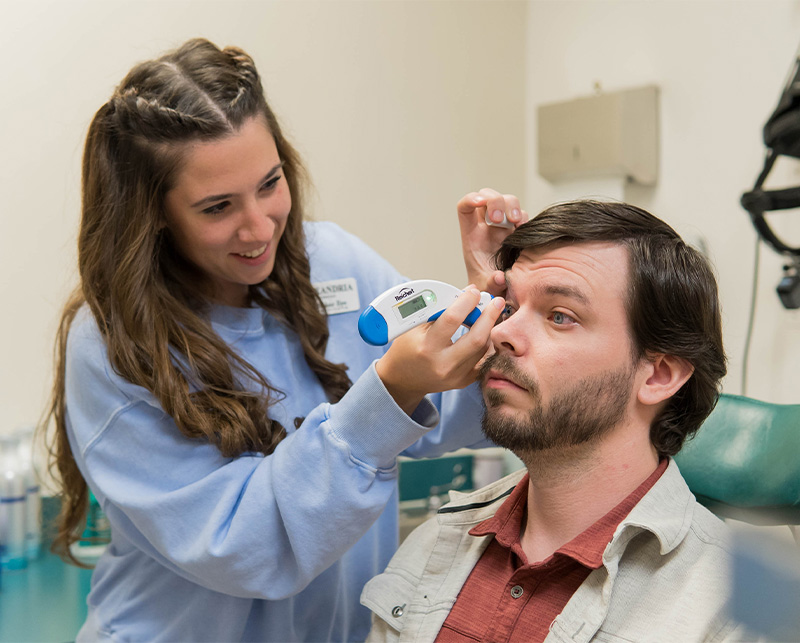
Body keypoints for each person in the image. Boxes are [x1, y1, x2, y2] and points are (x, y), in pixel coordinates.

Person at [43, 37, 525, 642]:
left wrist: (495, 307)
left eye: (270, 184)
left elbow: (454, 411)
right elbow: (249, 548)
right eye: (217, 207)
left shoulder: (333, 262)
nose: (259, 226)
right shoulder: (114, 342)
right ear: (154, 213)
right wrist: (389, 394)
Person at [362, 200, 749, 642]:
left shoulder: (728, 613)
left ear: (658, 374)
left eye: (560, 316)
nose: (501, 332)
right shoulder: (435, 542)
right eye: (508, 308)